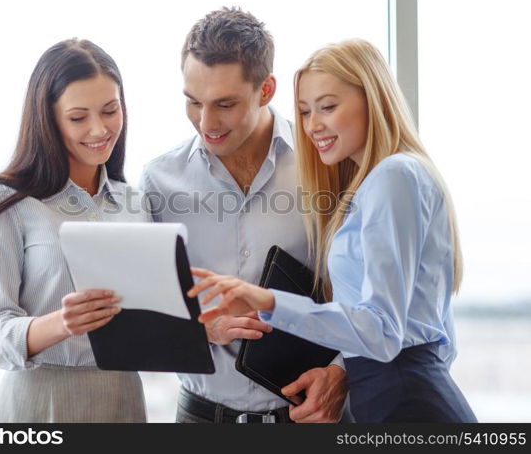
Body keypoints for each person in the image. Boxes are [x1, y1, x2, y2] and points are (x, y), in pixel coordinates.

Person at [188, 38, 477, 423]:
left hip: (403, 399)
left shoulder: (393, 176)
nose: (312, 126)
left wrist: (267, 302)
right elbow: (437, 337)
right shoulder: (381, 179)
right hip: (394, 394)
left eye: (328, 107)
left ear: (372, 99)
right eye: (306, 111)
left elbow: (382, 331)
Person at [140, 8, 349, 423]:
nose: (206, 122)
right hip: (200, 417)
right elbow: (145, 313)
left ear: (267, 89)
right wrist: (200, 330)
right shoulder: (159, 180)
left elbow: (369, 295)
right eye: (192, 102)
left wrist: (343, 370)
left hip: (312, 414)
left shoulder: (328, 166)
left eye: (225, 104)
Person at [0, 39, 149, 422]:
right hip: (39, 402)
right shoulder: (10, 200)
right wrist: (60, 324)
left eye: (110, 110)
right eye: (78, 117)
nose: (99, 129)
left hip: (123, 400)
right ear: (48, 119)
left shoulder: (135, 203)